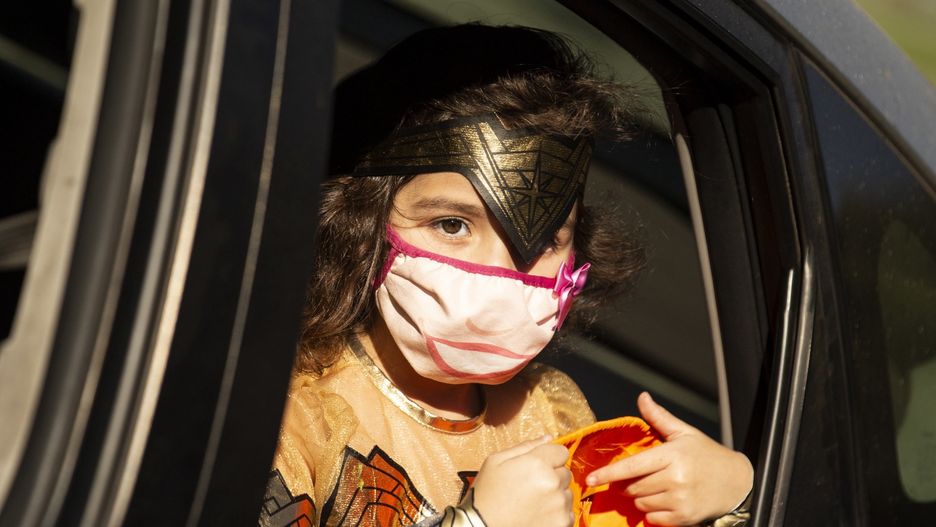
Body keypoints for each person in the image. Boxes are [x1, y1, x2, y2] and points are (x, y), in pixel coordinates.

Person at [258, 24, 753, 527]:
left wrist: (734, 498)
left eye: (543, 242)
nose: (497, 277)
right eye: (451, 225)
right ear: (362, 226)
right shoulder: (293, 414)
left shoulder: (551, 407)